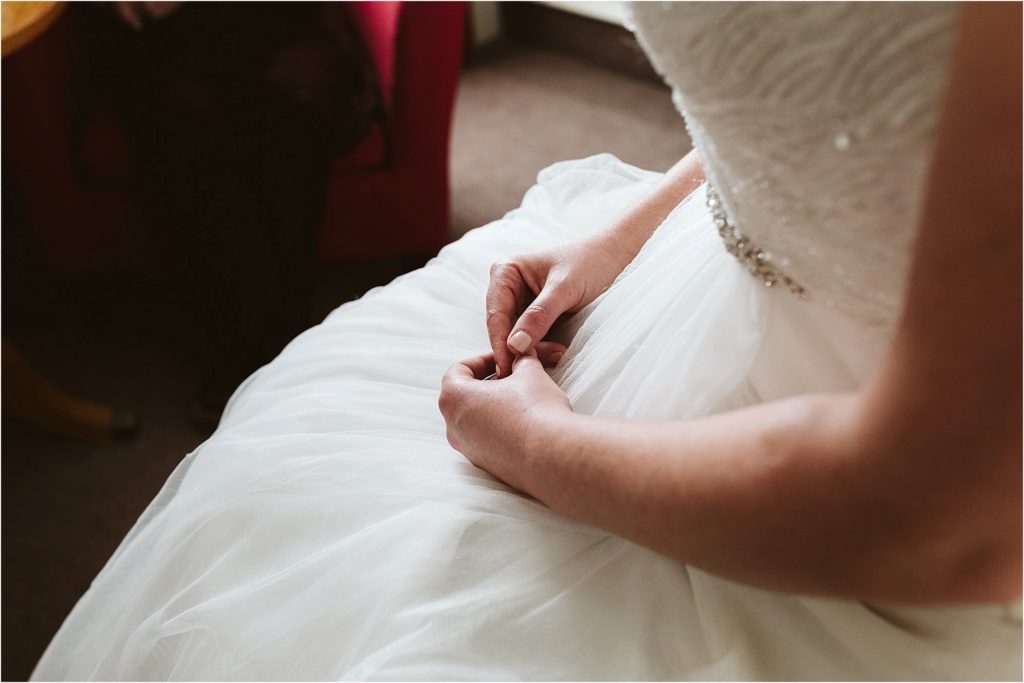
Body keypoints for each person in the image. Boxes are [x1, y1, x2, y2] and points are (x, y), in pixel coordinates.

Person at [33, 2, 1020, 680]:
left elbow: (944, 520)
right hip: (689, 286)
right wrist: (621, 233)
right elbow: (856, 96)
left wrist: (537, 445)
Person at [75, 2, 380, 424]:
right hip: (168, 44)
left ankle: (285, 337)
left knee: (300, 98)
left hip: (276, 22)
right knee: (184, 121)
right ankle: (240, 341)